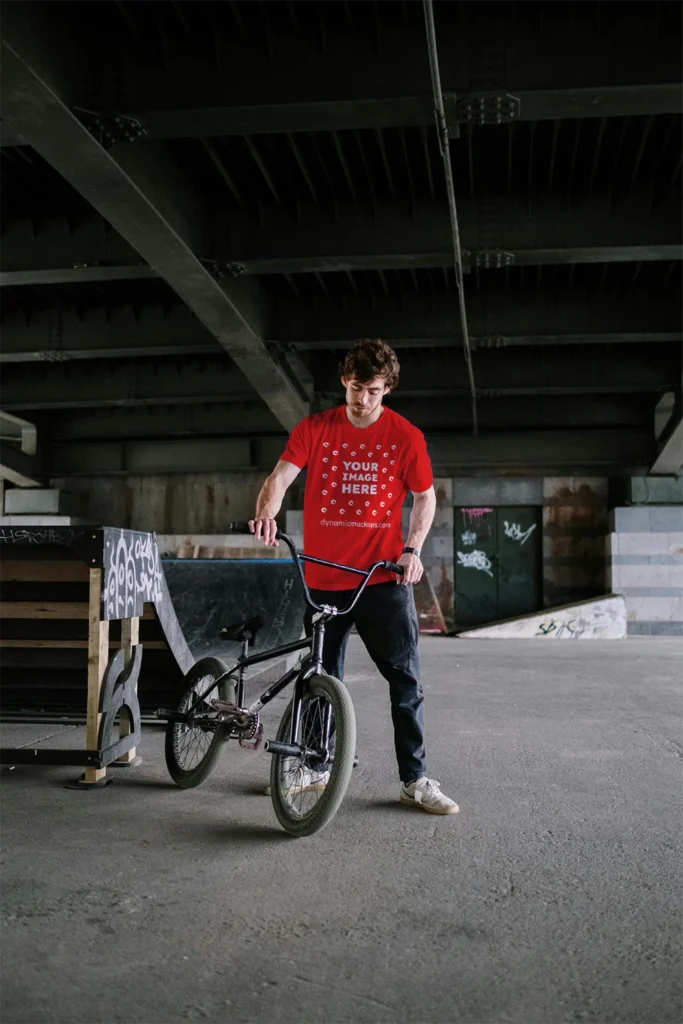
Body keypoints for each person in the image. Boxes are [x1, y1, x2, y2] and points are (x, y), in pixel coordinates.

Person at [249, 338, 458, 816]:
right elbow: (280, 477)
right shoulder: (315, 429)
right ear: (345, 381)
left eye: (374, 390)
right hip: (322, 579)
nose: (363, 399)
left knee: (405, 680)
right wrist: (266, 512)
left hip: (382, 581)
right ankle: (316, 766)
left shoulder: (406, 437)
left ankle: (414, 779)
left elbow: (425, 498)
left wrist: (412, 550)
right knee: (320, 677)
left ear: (387, 389)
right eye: (356, 387)